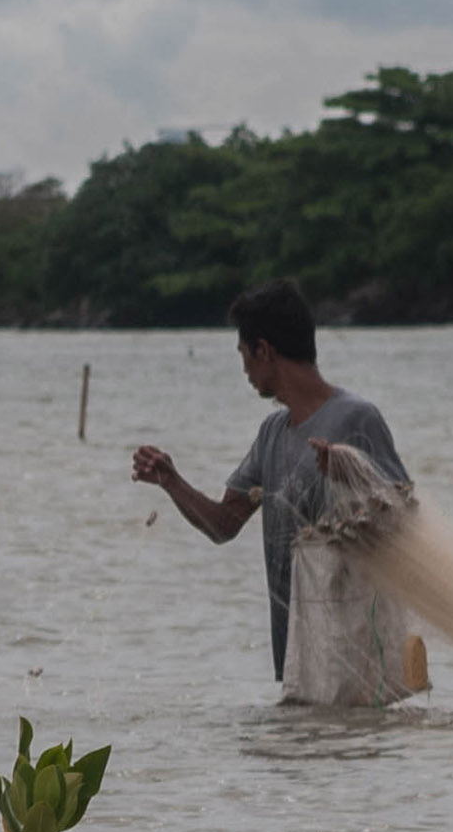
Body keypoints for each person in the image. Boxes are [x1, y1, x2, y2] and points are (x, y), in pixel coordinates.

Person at [130, 281, 422, 707]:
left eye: (244, 357)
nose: (246, 372)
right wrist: (171, 481)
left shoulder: (356, 419)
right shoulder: (271, 434)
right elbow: (224, 524)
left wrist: (346, 471)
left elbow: (404, 520)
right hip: (299, 656)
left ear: (263, 351)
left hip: (356, 648)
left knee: (342, 759)